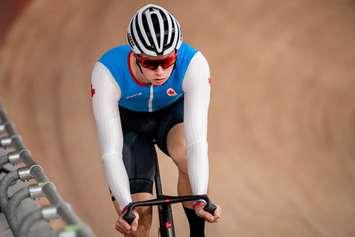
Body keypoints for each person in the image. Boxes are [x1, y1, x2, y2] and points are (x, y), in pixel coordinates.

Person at [91, 4, 221, 237]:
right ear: (135, 56)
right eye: (151, 63)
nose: (160, 71)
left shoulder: (193, 63)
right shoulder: (107, 71)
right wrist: (125, 207)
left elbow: (197, 143)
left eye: (168, 60)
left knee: (185, 155)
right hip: (129, 125)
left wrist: (201, 198)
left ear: (177, 53)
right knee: (139, 217)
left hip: (170, 116)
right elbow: (111, 152)